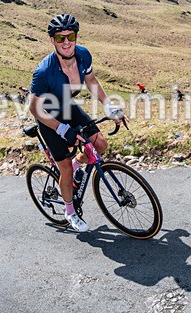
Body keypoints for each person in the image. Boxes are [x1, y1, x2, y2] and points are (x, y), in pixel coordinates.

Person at [29, 14, 125, 232]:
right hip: (49, 118)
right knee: (65, 170)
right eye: (60, 38)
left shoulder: (83, 55)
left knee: (100, 145)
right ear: (52, 40)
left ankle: (76, 163)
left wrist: (108, 105)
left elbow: (91, 81)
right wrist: (62, 129)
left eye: (70, 36)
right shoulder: (44, 72)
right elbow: (35, 108)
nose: (66, 42)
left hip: (67, 107)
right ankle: (69, 212)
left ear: (76, 36)